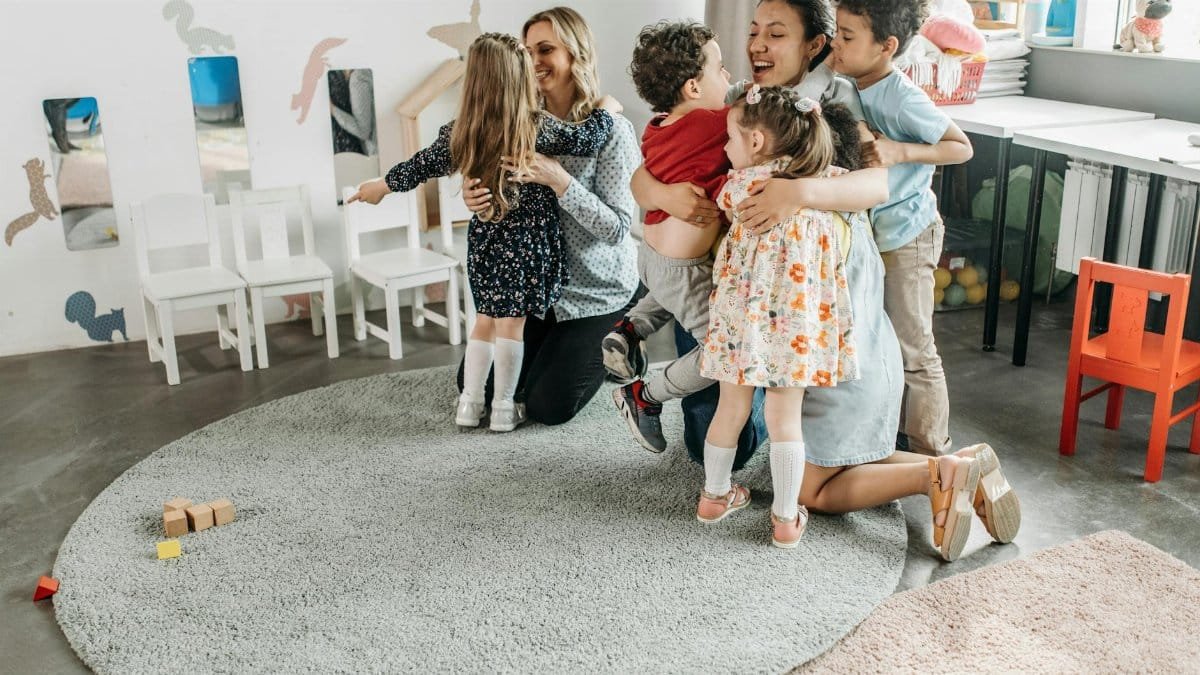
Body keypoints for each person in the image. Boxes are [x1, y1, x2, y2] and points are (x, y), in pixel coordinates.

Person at [631, 0, 887, 466]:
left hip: (792, 289)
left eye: (775, 32)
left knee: (780, 414)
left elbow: (877, 183)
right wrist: (660, 194)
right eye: (753, 31)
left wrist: (798, 193)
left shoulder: (834, 99)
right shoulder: (734, 101)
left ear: (814, 45)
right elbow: (644, 169)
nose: (757, 45)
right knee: (714, 438)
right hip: (727, 280)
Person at [348, 33, 615, 432]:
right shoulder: (536, 128)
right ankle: (505, 408)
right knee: (513, 326)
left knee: (485, 321)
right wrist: (606, 109)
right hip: (528, 245)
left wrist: (379, 187)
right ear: (521, 77)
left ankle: (469, 405)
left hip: (487, 243)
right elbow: (589, 138)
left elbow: (418, 167)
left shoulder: (461, 131)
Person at [457, 7, 642, 426]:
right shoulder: (517, 123)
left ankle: (627, 337)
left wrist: (562, 182)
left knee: (547, 407)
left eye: (546, 49)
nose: (534, 60)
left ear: (576, 55)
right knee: (476, 385)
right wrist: (476, 196)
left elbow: (617, 229)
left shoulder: (609, 130)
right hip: (538, 292)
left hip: (597, 293)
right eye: (526, 51)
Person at [696, 86, 860, 549]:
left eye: (730, 138)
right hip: (795, 327)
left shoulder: (742, 186)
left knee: (731, 407)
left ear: (755, 143)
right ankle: (786, 521)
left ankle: (714, 496)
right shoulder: (826, 187)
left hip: (741, 323)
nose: (725, 148)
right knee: (786, 417)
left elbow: (726, 208)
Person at [832, 0, 974, 456]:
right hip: (876, 237)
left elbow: (961, 147)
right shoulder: (847, 84)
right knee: (881, 344)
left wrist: (899, 150)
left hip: (909, 237)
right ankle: (891, 446)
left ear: (886, 47)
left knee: (915, 351)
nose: (836, 42)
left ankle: (936, 459)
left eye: (847, 36)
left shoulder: (902, 95)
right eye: (837, 31)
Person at [601, 20, 733, 453]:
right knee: (723, 352)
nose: (729, 77)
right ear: (694, 86)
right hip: (681, 266)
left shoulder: (660, 125)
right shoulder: (712, 125)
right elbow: (760, 112)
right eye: (720, 68)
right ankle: (644, 396)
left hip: (654, 255)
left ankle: (629, 330)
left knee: (669, 292)